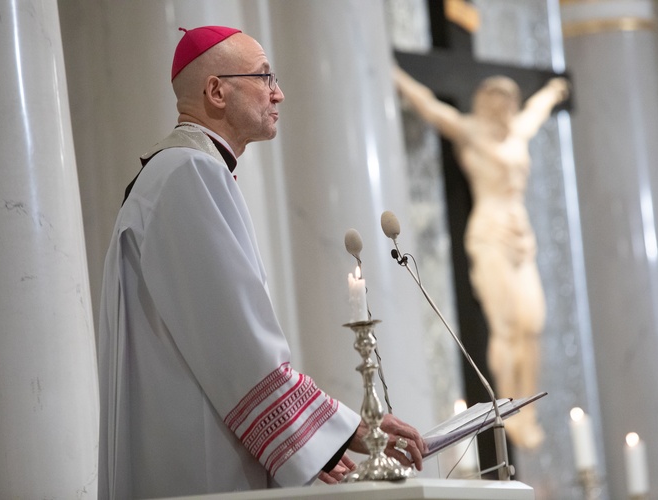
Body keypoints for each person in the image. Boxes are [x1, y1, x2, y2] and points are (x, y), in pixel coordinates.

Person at [97, 26, 425, 499]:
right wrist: (342, 433)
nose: (279, 93)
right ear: (216, 91)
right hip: (198, 464)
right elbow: (237, 342)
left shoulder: (183, 173)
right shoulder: (189, 174)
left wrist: (311, 447)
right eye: (265, 77)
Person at [394, 66, 569, 449]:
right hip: (490, 232)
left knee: (533, 322)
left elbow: (537, 110)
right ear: (487, 105)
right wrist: (394, 73)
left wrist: (554, 91)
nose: (508, 110)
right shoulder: (470, 131)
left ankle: (530, 410)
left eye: (511, 103)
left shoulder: (518, 131)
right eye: (500, 103)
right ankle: (507, 409)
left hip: (522, 236)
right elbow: (428, 105)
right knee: (506, 327)